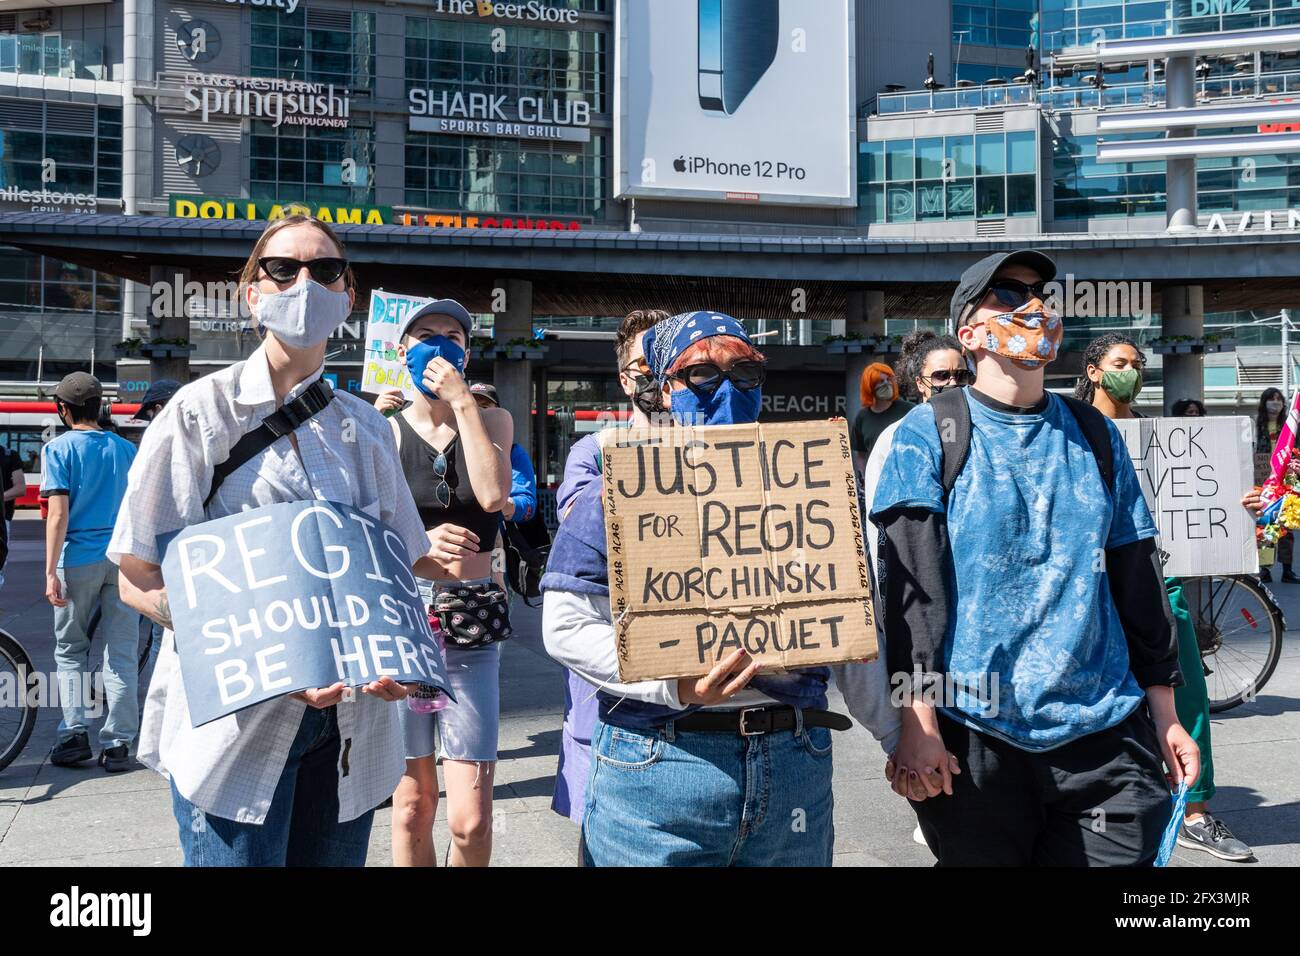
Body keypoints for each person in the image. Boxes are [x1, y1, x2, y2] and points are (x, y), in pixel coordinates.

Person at [110, 215, 427, 866]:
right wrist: (268, 662)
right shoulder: (199, 415)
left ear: (347, 298)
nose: (305, 282)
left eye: (326, 270)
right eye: (283, 268)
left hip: (350, 739)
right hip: (235, 738)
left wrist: (400, 654)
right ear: (251, 293)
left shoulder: (367, 427)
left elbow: (397, 568)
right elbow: (138, 576)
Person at [873, 250, 1199, 866]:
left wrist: (1166, 713)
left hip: (1105, 736)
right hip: (977, 738)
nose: (1031, 306)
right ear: (967, 334)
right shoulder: (924, 433)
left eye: (1039, 294)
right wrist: (918, 724)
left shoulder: (1097, 434)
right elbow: (912, 597)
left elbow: (1137, 577)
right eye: (1005, 293)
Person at [542, 310, 901, 867]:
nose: (726, 389)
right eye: (701, 374)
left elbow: (851, 622)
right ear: (664, 389)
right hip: (657, 765)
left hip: (793, 763)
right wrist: (674, 684)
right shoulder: (618, 488)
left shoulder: (810, 486)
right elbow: (565, 628)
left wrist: (897, 736)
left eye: (745, 373)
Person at [1077, 334, 1254, 863]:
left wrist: (1235, 498)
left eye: (1137, 363)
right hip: (1088, 581)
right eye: (1119, 363)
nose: (1131, 371)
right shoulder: (1069, 429)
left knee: (1186, 685)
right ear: (1092, 371)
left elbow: (1201, 498)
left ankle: (1194, 811)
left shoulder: (1161, 436)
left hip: (1162, 576)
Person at [386, 299, 513, 868]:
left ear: (467, 352)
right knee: (414, 802)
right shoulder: (381, 430)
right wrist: (417, 545)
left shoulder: (492, 420)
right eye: (425, 334)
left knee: (472, 820)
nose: (439, 345)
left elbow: (491, 497)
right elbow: (359, 532)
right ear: (400, 350)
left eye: (453, 335)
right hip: (405, 619)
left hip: (471, 621)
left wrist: (462, 402)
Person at [548, 309, 666, 833]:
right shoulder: (592, 454)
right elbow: (585, 530)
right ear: (625, 378)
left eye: (673, 363)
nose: (659, 376)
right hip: (609, 692)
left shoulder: (727, 450)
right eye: (647, 364)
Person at [42, 372, 139, 772]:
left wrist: (50, 570)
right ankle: (117, 745)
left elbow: (58, 514)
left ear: (63, 409)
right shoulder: (125, 449)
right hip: (121, 560)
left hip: (77, 558)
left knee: (71, 650)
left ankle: (75, 734)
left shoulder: (58, 449)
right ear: (100, 407)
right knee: (121, 652)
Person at [469, 382, 536, 524]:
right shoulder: (450, 445)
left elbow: (527, 504)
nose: (479, 412)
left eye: (485, 407)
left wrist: (504, 505)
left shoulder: (513, 453)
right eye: (472, 407)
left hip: (495, 537)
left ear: (498, 411)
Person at [1255, 387, 1295, 583]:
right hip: (1263, 481)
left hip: (1286, 480)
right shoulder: (1255, 425)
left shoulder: (1291, 427)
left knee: (1286, 526)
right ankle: (1265, 569)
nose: (1275, 402)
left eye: (1279, 399)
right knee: (1266, 526)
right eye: (1271, 399)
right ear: (1264, 402)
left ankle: (1287, 569)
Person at [850, 361, 913, 474]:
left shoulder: (908, 410)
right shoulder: (862, 417)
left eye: (889, 379)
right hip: (875, 477)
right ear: (869, 386)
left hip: (904, 473)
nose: (886, 384)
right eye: (880, 381)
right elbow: (861, 454)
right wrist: (863, 477)